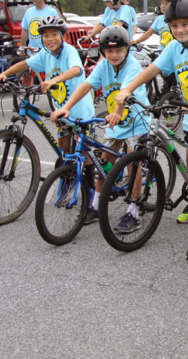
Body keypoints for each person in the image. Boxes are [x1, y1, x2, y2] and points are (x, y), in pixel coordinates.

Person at [115, 0, 188, 256]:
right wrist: (127, 89)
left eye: (185, 24)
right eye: (174, 26)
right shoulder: (174, 47)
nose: (179, 29)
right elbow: (152, 70)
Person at [51, 25, 150, 227]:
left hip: (135, 121)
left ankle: (133, 211)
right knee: (103, 163)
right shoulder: (103, 65)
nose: (114, 55)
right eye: (109, 51)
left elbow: (125, 93)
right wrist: (66, 107)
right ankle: (95, 206)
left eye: (118, 50)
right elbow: (86, 86)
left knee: (133, 164)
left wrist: (117, 113)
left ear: (127, 50)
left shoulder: (132, 66)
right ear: (103, 52)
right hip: (115, 121)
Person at [0, 15, 94, 153]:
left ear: (64, 37)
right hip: (60, 113)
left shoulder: (69, 51)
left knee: (85, 152)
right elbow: (25, 64)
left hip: (80, 112)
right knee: (63, 149)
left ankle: (92, 172)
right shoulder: (45, 54)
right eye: (45, 35)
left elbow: (77, 70)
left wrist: (54, 80)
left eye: (54, 34)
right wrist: (4, 74)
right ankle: (68, 171)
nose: (50, 38)